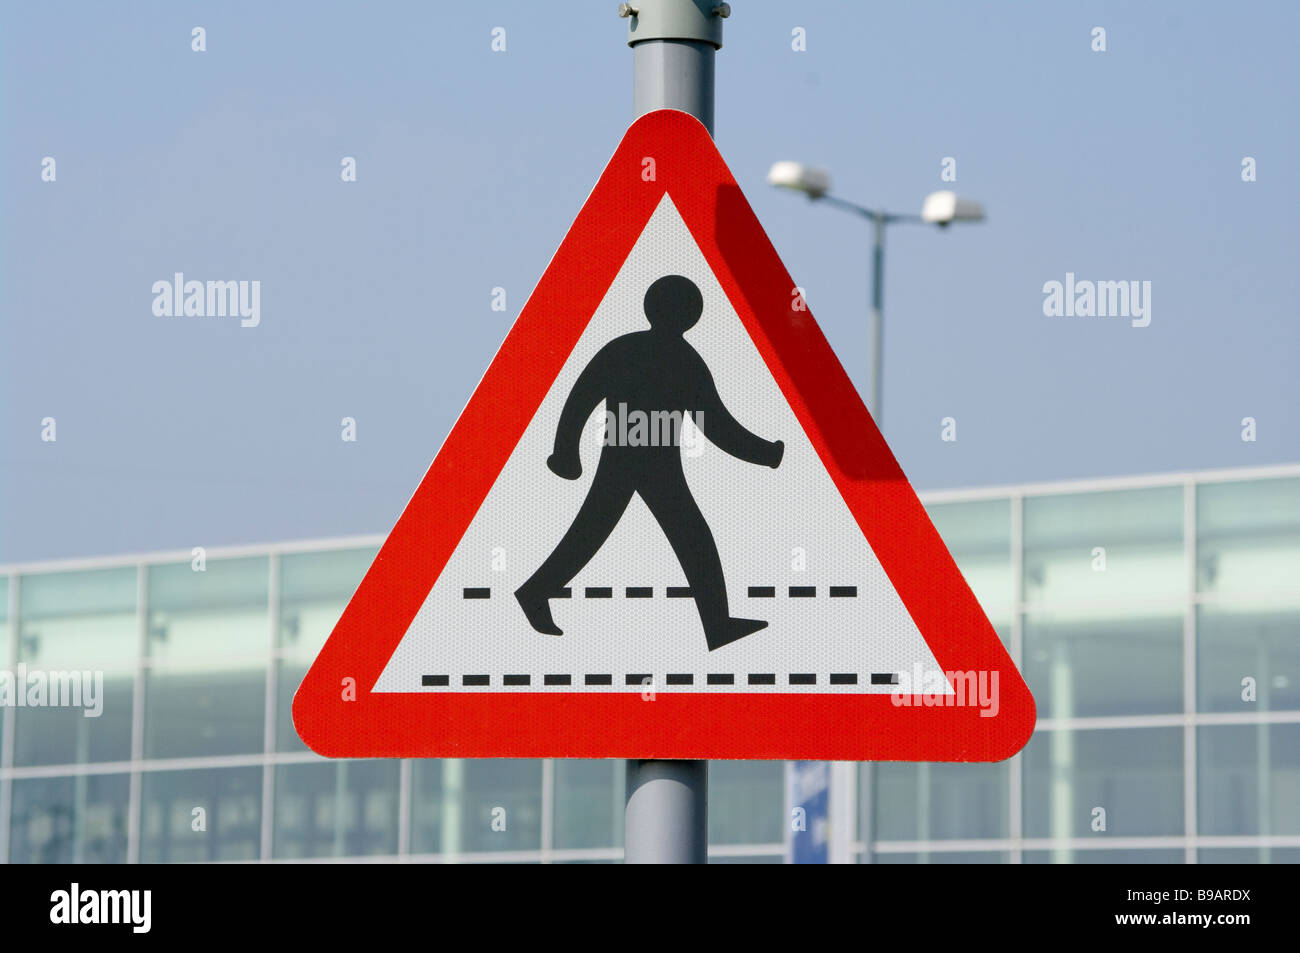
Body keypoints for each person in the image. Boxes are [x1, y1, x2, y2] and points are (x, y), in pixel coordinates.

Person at [515, 274, 784, 651]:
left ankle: (535, 591)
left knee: (608, 533)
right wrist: (766, 454)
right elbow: (716, 426)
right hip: (642, 461)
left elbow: (580, 400)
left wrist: (566, 453)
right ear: (692, 314)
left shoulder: (627, 349)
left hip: (641, 460)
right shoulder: (682, 360)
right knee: (675, 536)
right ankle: (717, 624)